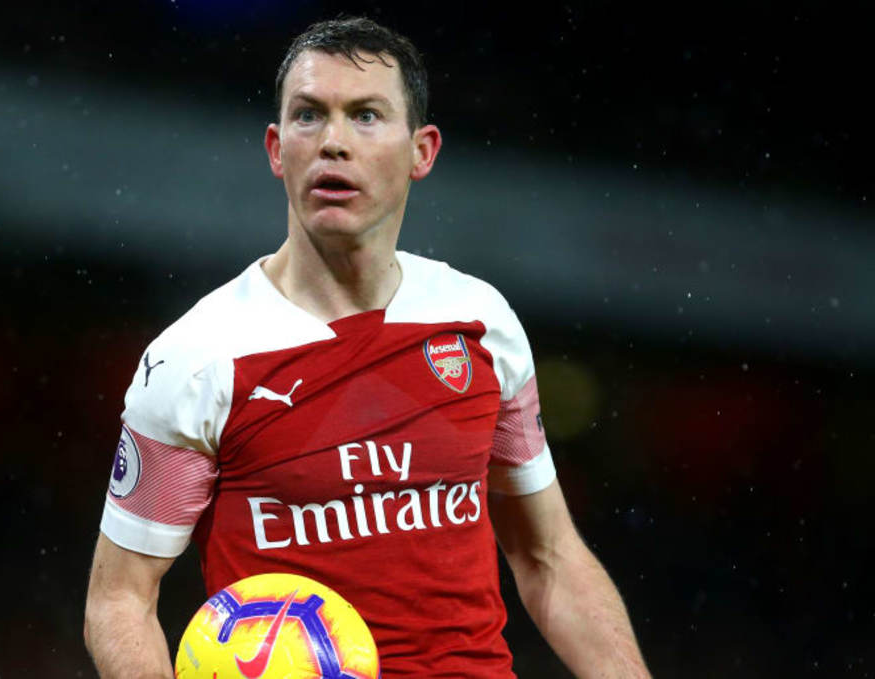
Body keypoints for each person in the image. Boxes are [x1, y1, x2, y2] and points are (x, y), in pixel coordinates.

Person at [83, 16, 650, 678]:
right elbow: (119, 600)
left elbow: (549, 558)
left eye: (366, 116)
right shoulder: (198, 357)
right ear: (276, 149)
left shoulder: (479, 322)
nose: (333, 142)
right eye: (308, 116)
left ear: (422, 152)